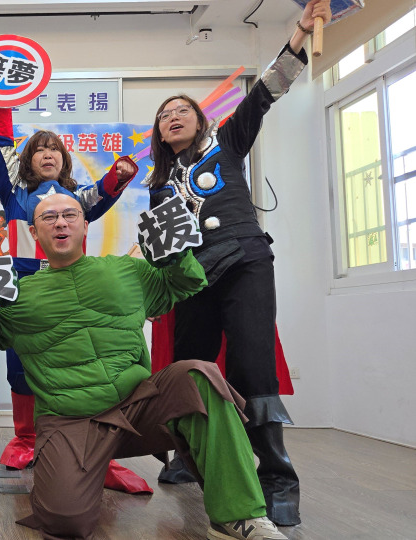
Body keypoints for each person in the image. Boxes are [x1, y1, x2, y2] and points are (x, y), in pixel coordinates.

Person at [0, 193, 289, 540]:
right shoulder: (16, 295)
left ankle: (238, 516)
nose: (60, 222)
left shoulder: (127, 270)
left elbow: (185, 282)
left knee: (198, 375)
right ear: (34, 232)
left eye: (70, 214)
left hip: (139, 407)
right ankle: (68, 484)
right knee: (64, 521)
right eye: (49, 217)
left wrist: (177, 257)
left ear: (84, 225)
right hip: (69, 421)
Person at [145, 0, 332, 526]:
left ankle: (277, 478)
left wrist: (299, 32)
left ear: (199, 120)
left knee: (253, 366)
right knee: (191, 369)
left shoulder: (227, 143)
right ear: (159, 132)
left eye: (181, 109)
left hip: (245, 261)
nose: (172, 116)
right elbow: (164, 248)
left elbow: (266, 90)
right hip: (193, 279)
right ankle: (191, 456)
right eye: (164, 114)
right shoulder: (158, 185)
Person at [0, 105, 140, 478]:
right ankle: (26, 438)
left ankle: (92, 441)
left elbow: (101, 194)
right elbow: (2, 151)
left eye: (54, 148)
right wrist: (0, 105)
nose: (47, 154)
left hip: (73, 289)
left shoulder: (78, 198)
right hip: (26, 290)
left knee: (84, 364)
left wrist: (117, 176)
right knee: (20, 366)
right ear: (27, 160)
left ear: (64, 159)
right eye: (39, 149)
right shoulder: (16, 191)